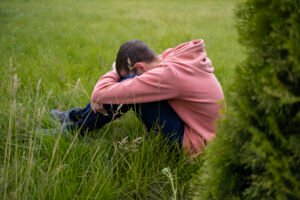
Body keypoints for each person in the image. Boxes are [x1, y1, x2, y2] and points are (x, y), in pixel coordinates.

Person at [52, 39, 224, 156]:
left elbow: (99, 94)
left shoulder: (168, 75)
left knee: (131, 88)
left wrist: (114, 73)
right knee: (129, 85)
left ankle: (73, 130)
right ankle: (74, 118)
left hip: (195, 143)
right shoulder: (171, 57)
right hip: (203, 130)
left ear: (140, 66)